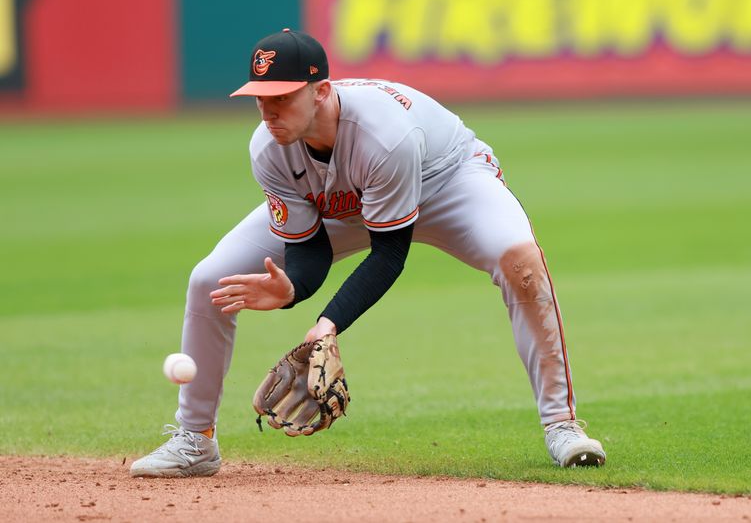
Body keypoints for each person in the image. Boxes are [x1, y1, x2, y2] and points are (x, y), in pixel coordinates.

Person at [130, 29, 606, 478]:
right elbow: (308, 246)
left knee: (520, 262)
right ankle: (195, 440)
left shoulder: (384, 134)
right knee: (208, 278)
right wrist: (292, 287)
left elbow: (389, 253)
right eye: (260, 98)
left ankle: (561, 425)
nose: (268, 111)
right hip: (342, 198)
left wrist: (328, 322)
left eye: (281, 97)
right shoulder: (270, 148)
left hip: (447, 182)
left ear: (320, 91)